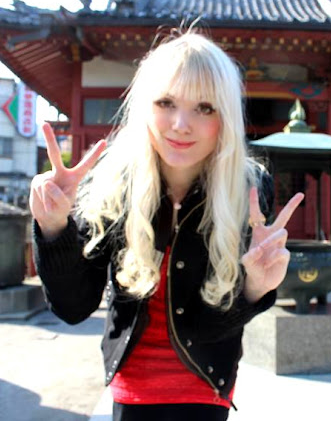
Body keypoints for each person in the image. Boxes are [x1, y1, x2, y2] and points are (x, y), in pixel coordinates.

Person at [30, 30, 304, 421]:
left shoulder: (247, 190)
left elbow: (208, 328)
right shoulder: (113, 184)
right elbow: (74, 308)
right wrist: (54, 228)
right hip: (131, 392)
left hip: (206, 390)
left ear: (226, 118)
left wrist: (254, 288)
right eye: (166, 103)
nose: (180, 124)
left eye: (204, 108)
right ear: (144, 107)